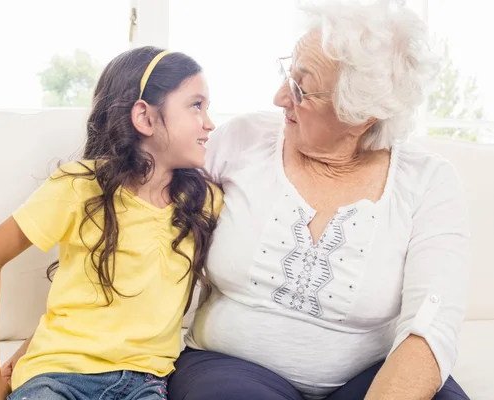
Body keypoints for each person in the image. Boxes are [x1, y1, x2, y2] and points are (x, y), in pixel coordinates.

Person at [167, 0, 470, 399]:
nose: (279, 98)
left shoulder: (429, 181)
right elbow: (149, 205)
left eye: (300, 88)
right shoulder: (242, 141)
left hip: (369, 376)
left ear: (364, 113)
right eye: (287, 75)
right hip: (231, 368)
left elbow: (430, 324)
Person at [0, 46, 222, 400]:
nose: (209, 122)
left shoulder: (204, 201)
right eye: (196, 105)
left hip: (145, 383)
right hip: (58, 375)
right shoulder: (79, 186)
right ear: (145, 118)